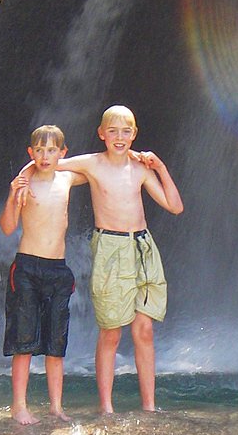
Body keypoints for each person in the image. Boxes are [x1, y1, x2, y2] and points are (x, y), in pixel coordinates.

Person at [56, 104, 183, 414]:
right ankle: (106, 408)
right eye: (112, 131)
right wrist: (22, 181)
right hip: (111, 248)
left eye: (126, 131)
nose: (119, 137)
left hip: (143, 247)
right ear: (101, 134)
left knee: (144, 330)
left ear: (134, 134)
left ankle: (149, 406)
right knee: (111, 331)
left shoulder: (140, 168)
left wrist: (159, 167)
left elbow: (175, 206)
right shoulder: (92, 163)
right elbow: (50, 165)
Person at [0, 124, 85, 424]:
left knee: (56, 345)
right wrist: (13, 194)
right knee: (24, 342)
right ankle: (19, 406)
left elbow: (96, 166)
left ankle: (56, 407)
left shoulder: (67, 178)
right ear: (30, 152)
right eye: (39, 151)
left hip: (58, 269)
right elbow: (7, 227)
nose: (45, 157)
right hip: (27, 267)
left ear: (62, 152)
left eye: (51, 151)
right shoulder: (25, 184)